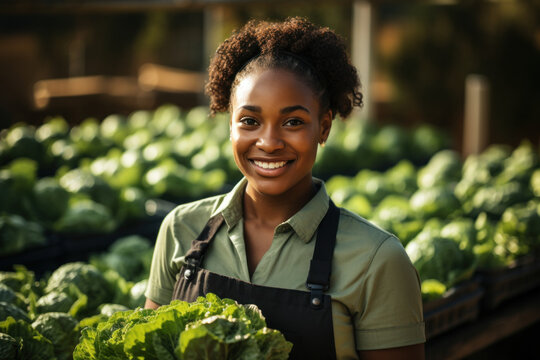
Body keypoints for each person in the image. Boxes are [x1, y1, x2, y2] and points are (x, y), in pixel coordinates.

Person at [145, 17, 425, 359]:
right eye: (249, 121)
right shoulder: (181, 229)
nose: (269, 142)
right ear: (229, 126)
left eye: (293, 122)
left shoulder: (377, 260)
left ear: (323, 128)